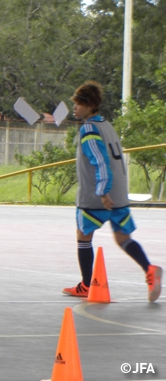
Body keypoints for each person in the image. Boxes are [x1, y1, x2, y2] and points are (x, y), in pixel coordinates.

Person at [63, 81, 162, 302]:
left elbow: (100, 162)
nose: (75, 108)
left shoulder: (88, 129)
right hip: (119, 194)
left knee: (83, 235)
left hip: (98, 196)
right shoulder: (107, 125)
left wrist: (102, 191)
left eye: (79, 104)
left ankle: (87, 285)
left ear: (90, 106)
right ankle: (149, 269)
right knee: (122, 237)